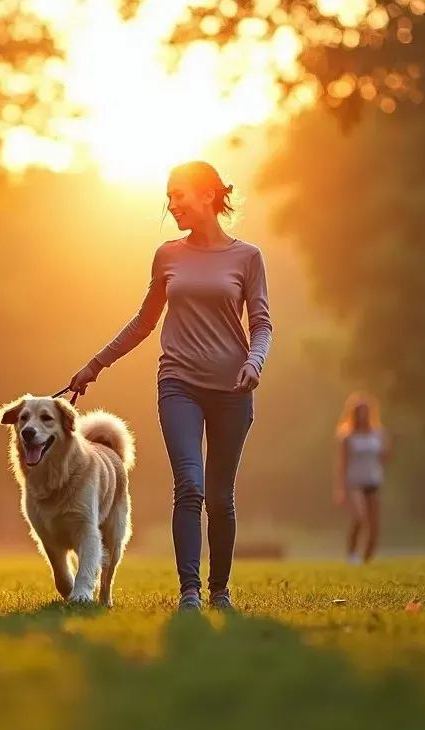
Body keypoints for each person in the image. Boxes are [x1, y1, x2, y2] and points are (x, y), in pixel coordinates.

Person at [67, 160, 273, 612]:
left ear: (208, 196)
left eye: (179, 194)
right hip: (178, 382)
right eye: (168, 194)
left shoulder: (247, 257)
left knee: (220, 496)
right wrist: (95, 365)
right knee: (190, 485)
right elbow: (144, 321)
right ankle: (190, 593)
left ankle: (220, 590)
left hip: (232, 390)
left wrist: (255, 363)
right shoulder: (168, 255)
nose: (171, 203)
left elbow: (261, 324)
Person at [334, 392, 392, 563]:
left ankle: (368, 557)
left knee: (374, 525)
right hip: (354, 482)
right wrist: (341, 489)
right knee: (359, 517)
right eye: (360, 411)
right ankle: (352, 553)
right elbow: (342, 463)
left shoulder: (378, 433)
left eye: (366, 410)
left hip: (373, 480)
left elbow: (383, 458)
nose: (363, 414)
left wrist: (391, 449)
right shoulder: (348, 436)